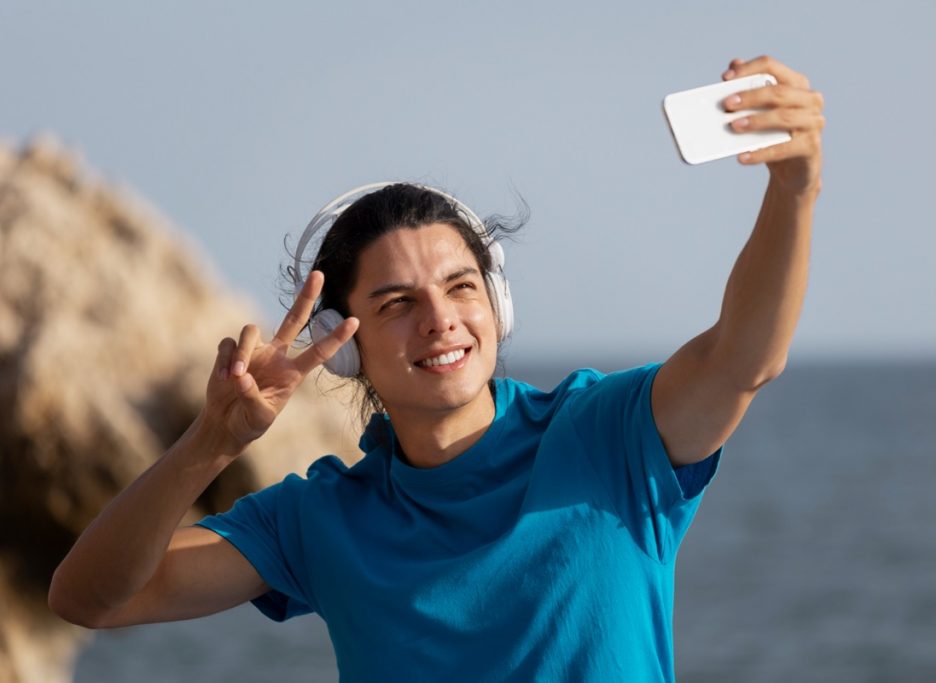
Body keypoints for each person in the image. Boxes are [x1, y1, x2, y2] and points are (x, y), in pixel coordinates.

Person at [49, 55, 824, 681]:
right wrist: (210, 445)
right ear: (344, 346)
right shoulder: (319, 520)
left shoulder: (609, 435)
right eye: (396, 303)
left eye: (460, 287)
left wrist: (795, 191)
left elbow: (743, 358)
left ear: (496, 306)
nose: (440, 319)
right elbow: (90, 598)